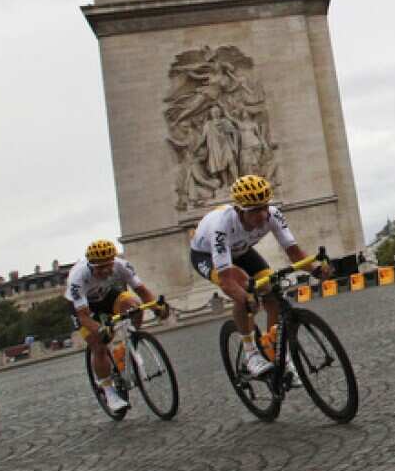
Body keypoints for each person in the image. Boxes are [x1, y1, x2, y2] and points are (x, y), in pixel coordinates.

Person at [190, 175, 331, 377]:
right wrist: (245, 298)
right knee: (243, 287)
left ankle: (273, 348)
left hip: (240, 250)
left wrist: (317, 269)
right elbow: (227, 280)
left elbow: (294, 253)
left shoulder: (272, 215)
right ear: (239, 210)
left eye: (265, 206)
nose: (262, 214)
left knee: (270, 290)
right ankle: (251, 354)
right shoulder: (221, 227)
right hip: (205, 255)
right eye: (255, 210)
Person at [65, 239, 166, 412]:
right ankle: (108, 391)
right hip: (83, 306)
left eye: (108, 266)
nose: (105, 270)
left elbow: (141, 291)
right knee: (99, 344)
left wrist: (157, 307)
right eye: (100, 268)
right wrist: (100, 329)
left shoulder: (121, 265)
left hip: (107, 296)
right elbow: (83, 316)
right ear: (90, 265)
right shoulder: (78, 277)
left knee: (133, 304)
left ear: (113, 261)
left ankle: (131, 344)